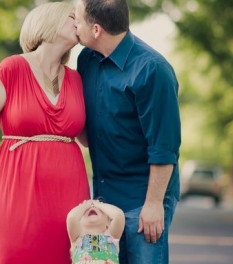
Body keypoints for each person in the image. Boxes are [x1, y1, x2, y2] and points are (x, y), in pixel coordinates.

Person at [0, 2, 90, 263]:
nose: (79, 23)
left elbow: (89, 138)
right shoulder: (11, 69)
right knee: (13, 254)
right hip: (18, 188)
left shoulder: (77, 79)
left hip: (70, 194)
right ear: (50, 22)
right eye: (72, 17)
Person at [74, 0, 182, 263]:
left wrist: (154, 204)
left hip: (143, 199)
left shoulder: (152, 70)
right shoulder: (86, 59)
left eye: (77, 20)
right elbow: (88, 133)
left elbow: (164, 147)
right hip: (101, 201)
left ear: (96, 29)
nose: (74, 25)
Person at [67, 199, 125, 264]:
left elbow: (118, 215)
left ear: (108, 222)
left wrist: (99, 205)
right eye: (85, 210)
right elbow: (72, 217)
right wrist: (85, 205)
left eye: (99, 209)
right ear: (79, 222)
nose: (92, 206)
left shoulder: (112, 235)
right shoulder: (76, 237)